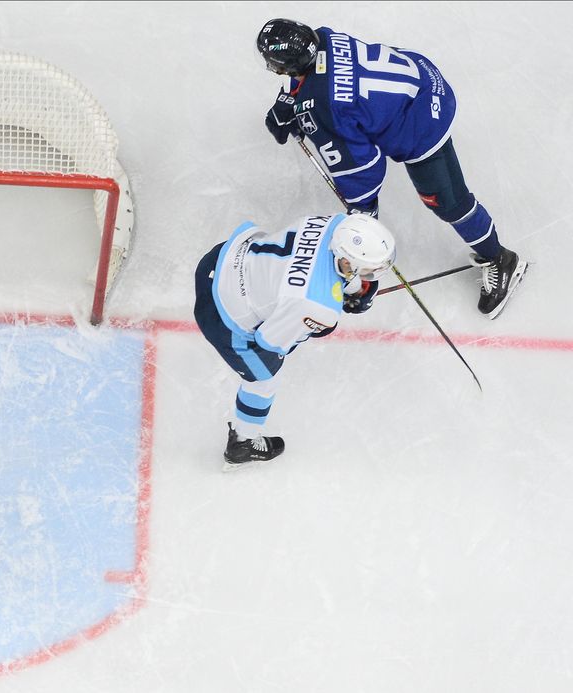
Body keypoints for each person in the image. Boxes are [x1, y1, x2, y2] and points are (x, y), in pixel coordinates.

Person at [256, 18, 527, 319]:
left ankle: (501, 258)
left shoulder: (323, 107)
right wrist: (293, 101)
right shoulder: (324, 38)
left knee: (447, 201)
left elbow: (363, 168)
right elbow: (318, 77)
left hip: (424, 122)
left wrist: (363, 216)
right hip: (422, 77)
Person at [195, 212, 395, 468]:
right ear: (347, 261)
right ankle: (242, 444)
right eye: (369, 270)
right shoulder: (318, 307)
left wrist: (354, 289)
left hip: (222, 258)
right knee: (264, 376)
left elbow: (320, 264)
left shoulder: (333, 222)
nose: (373, 274)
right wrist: (322, 320)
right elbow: (270, 342)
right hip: (220, 310)